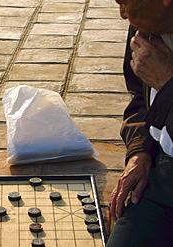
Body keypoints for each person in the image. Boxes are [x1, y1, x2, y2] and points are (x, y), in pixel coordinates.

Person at [107, 0, 173, 246]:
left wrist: (167, 82)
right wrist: (140, 152)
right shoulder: (147, 24)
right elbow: (140, 99)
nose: (123, 14)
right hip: (163, 180)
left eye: (124, 2)